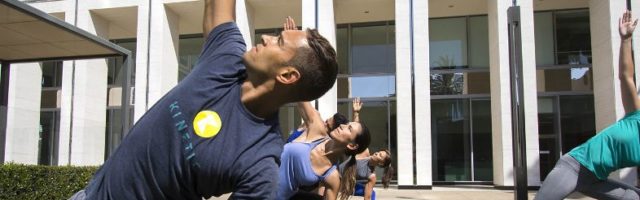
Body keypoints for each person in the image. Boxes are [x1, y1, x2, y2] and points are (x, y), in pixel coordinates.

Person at [69, 0, 338, 199]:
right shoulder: (226, 59)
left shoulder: (259, 162)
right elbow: (218, 5)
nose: (266, 38)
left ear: (288, 75)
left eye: (279, 41)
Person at [534, 10, 640, 200]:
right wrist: (626, 39)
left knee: (633, 197)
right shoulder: (636, 117)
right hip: (573, 166)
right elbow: (626, 77)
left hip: (595, 179)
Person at [278, 100, 371, 200]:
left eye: (349, 128)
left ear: (352, 146)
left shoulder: (332, 176)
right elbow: (301, 97)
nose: (342, 125)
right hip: (260, 173)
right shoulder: (317, 129)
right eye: (346, 124)